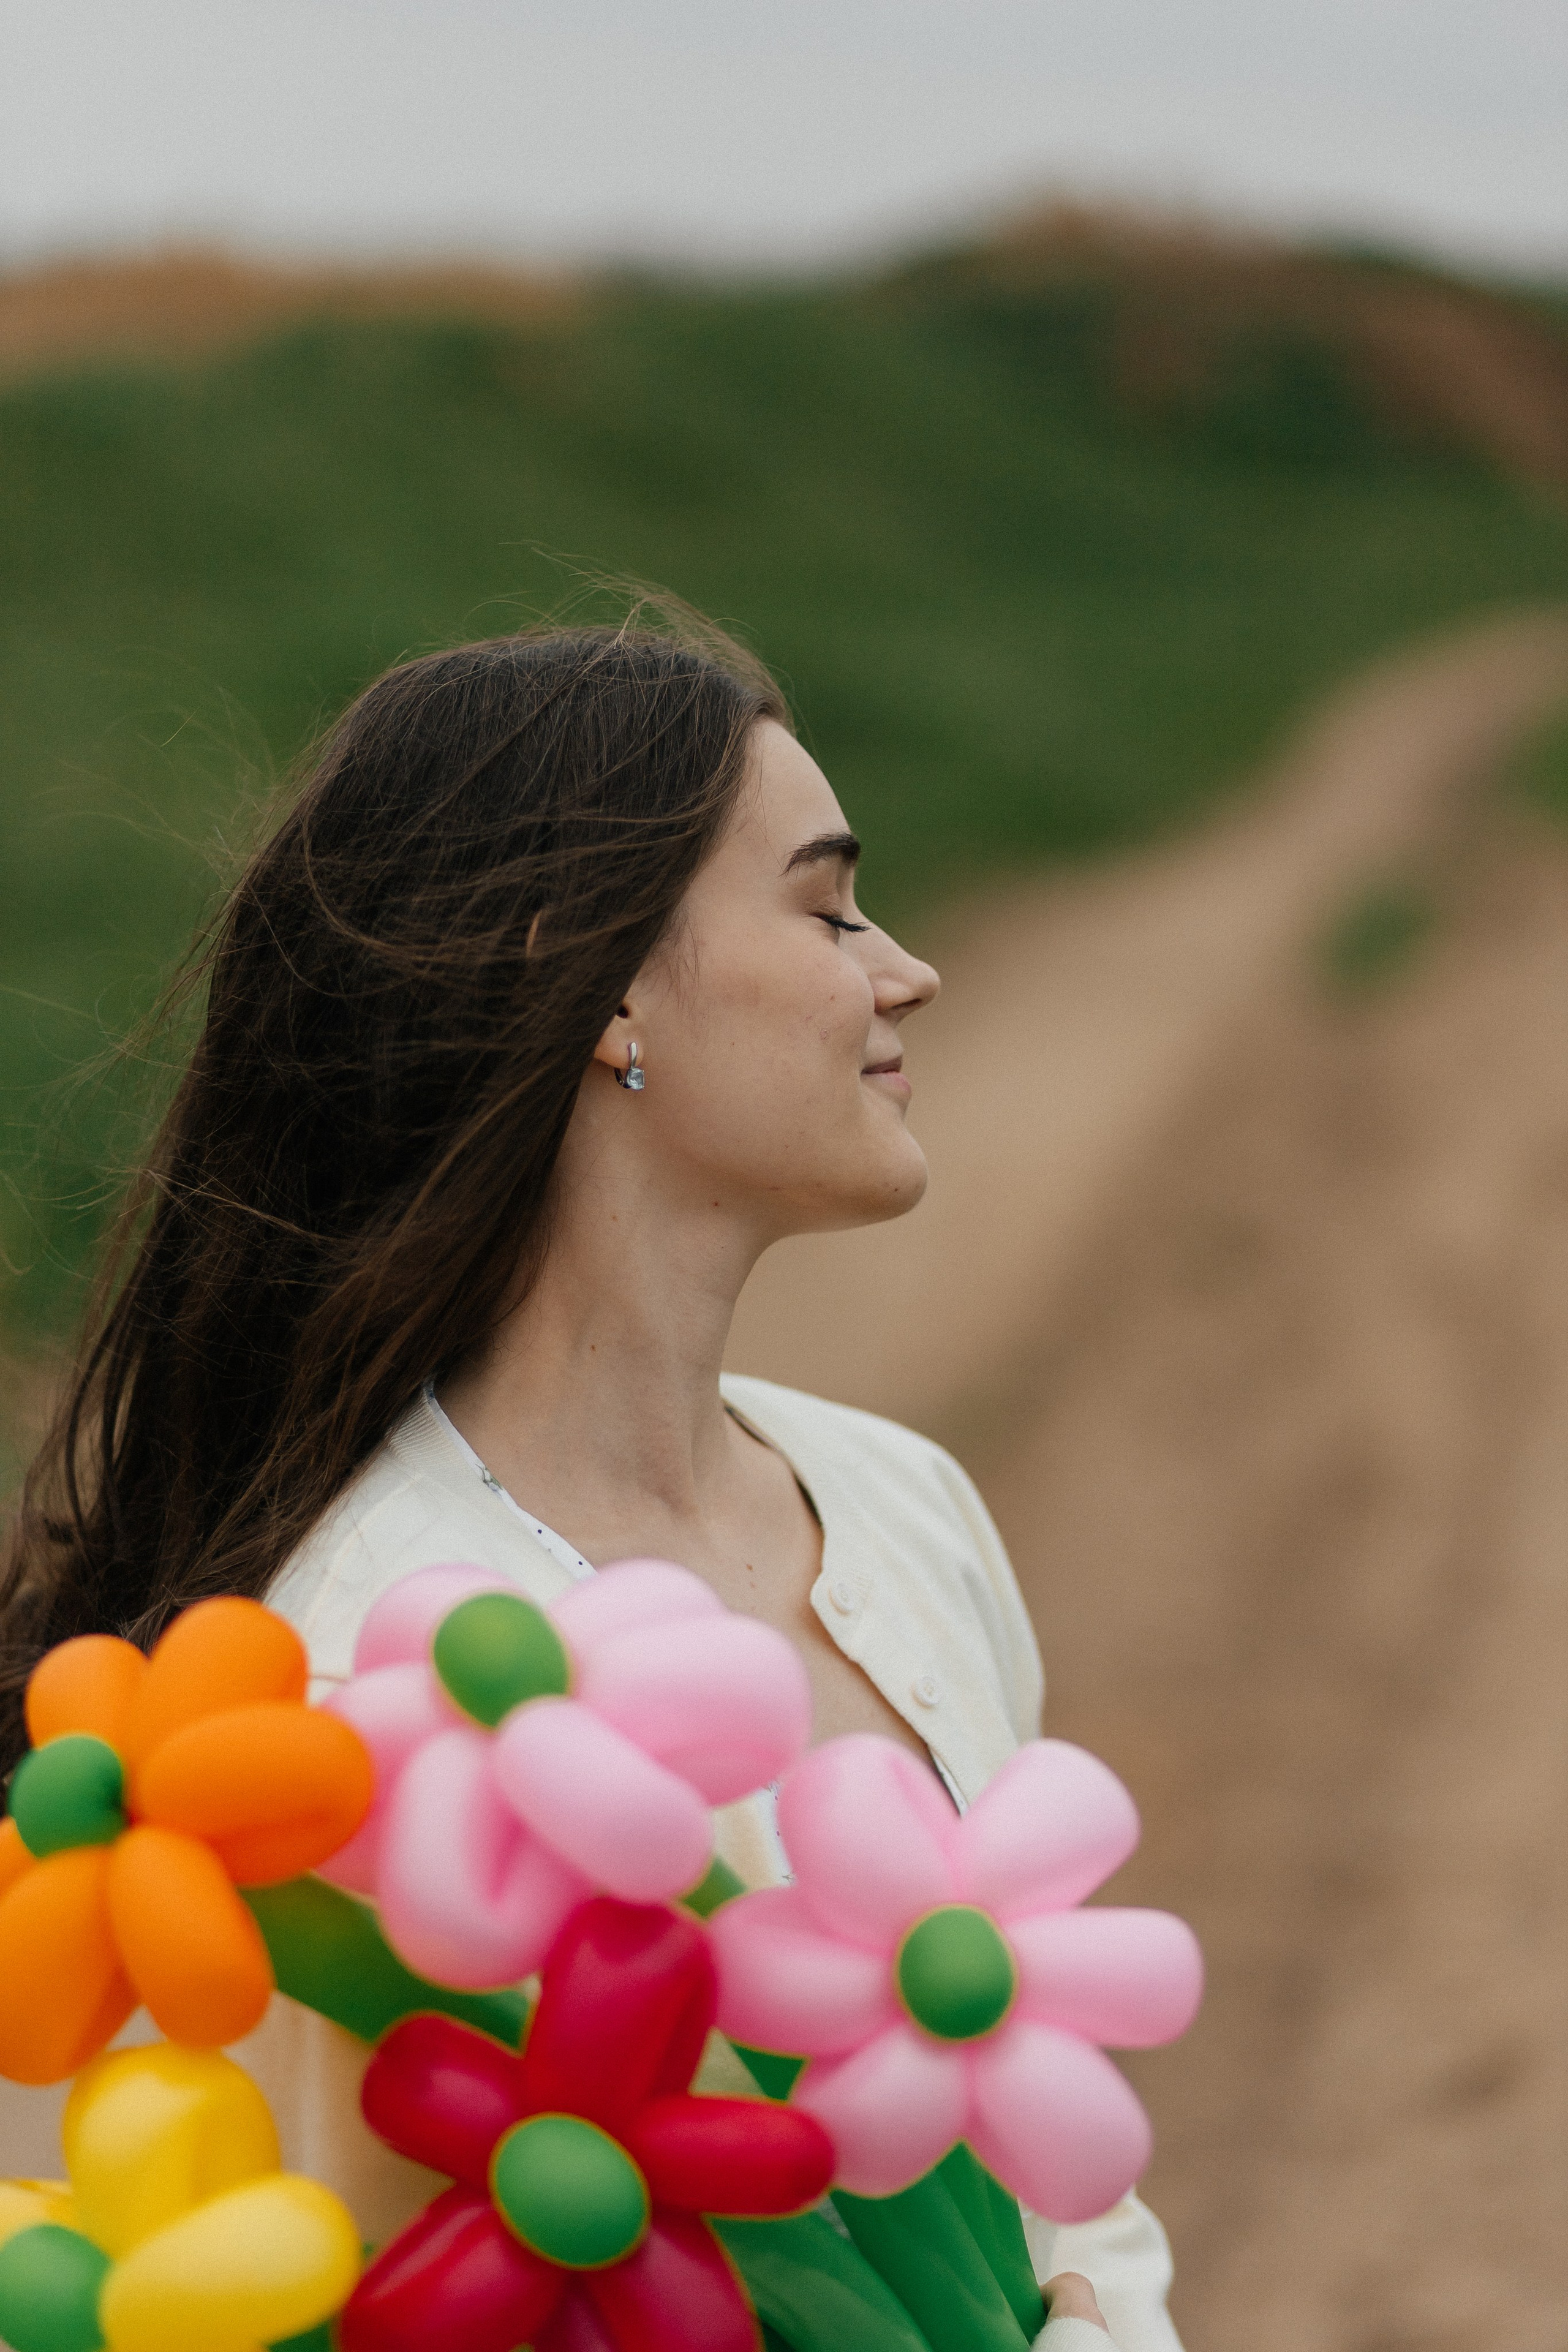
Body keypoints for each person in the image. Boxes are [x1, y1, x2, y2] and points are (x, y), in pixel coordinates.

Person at [1, 616, 1182, 2348]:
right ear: (603, 975)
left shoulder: (898, 1499)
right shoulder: (367, 1692)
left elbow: (1071, 2187)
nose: (903, 968)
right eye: (828, 904)